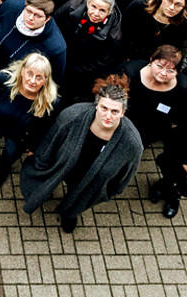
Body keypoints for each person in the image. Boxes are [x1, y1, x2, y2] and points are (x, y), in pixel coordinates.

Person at [19, 75, 143, 233]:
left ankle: (70, 213)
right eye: (104, 108)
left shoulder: (131, 143)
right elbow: (51, 141)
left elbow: (125, 176)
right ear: (96, 105)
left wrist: (106, 192)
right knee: (45, 186)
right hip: (63, 165)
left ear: (123, 113)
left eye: (114, 111)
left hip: (90, 180)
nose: (108, 116)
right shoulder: (73, 116)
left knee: (77, 199)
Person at [0, 52, 60, 186]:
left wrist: (34, 146)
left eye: (39, 77)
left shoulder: (50, 101)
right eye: (30, 73)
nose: (32, 81)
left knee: (10, 155)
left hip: (19, 135)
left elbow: (46, 126)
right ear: (22, 70)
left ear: (45, 80)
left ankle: (2, 171)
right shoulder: (3, 80)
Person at [52, 0, 124, 99]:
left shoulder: (114, 35)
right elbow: (54, 25)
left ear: (110, 12)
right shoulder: (71, 7)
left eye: (102, 10)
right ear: (87, 3)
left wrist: (77, 69)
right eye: (93, 7)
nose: (96, 13)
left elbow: (104, 61)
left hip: (86, 69)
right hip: (62, 53)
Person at [121, 45, 187, 146]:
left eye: (170, 70)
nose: (163, 73)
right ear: (151, 61)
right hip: (123, 121)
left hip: (150, 132)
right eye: (159, 66)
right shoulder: (131, 72)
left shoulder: (183, 88)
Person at [120, 0, 187, 63]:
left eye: (178, 5)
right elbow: (124, 32)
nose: (172, 7)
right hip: (126, 52)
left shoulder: (185, 24)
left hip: (155, 61)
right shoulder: (140, 6)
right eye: (169, 0)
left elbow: (172, 49)